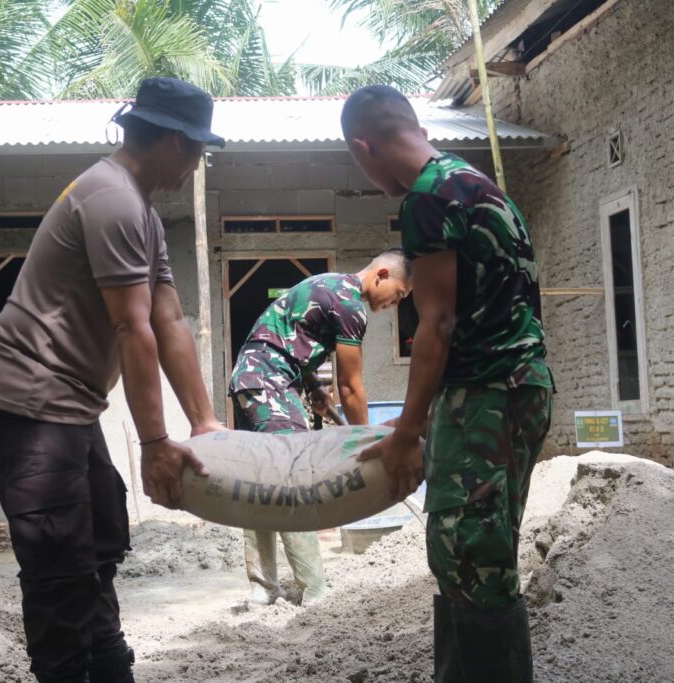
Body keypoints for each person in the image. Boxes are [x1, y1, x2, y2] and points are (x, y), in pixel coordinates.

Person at [0, 77, 226, 683]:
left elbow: (169, 319)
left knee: (100, 552)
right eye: (195, 150)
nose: (195, 164)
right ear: (171, 139)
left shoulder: (142, 211)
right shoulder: (112, 199)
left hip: (68, 410)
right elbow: (132, 327)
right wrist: (155, 443)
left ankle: (111, 670)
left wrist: (205, 422)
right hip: (27, 408)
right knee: (60, 576)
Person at [342, 85, 553, 682]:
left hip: (486, 395)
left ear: (363, 146)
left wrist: (409, 432)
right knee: (482, 554)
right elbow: (491, 313)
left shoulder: (428, 199)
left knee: (469, 559)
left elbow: (437, 323)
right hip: (520, 388)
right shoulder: (479, 186)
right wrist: (427, 417)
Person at [227, 252, 412, 606]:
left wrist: (313, 386)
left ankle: (263, 589)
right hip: (271, 384)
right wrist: (367, 440)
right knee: (294, 479)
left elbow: (286, 336)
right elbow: (351, 387)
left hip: (251, 379)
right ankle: (315, 592)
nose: (395, 305)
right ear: (382, 275)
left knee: (262, 481)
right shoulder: (351, 306)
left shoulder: (328, 285)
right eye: (399, 294)